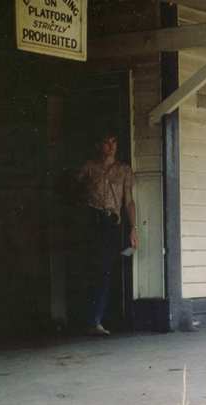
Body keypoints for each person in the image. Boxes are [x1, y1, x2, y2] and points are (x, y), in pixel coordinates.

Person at [75, 131, 137, 335]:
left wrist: (133, 228)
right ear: (98, 145)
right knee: (89, 268)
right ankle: (89, 319)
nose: (110, 146)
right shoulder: (89, 167)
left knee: (105, 269)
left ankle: (97, 319)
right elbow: (72, 190)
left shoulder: (124, 170)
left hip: (111, 222)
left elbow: (128, 201)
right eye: (106, 142)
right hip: (90, 219)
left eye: (114, 142)